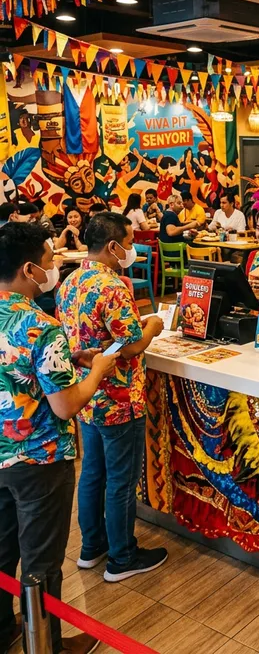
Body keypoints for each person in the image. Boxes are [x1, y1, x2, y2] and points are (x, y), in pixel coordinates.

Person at [0, 222, 116, 654]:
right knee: (41, 559)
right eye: (49, 261)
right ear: (29, 269)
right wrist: (97, 370)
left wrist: (69, 359)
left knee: (2, 548)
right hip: (39, 459)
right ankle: (46, 645)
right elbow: (66, 405)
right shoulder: (40, 325)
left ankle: (4, 629)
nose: (53, 269)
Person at [56, 212, 167, 583]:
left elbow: (95, 337)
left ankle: (92, 547)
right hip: (119, 397)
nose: (132, 249)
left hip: (86, 394)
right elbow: (131, 345)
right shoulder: (113, 286)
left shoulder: (70, 281)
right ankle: (122, 557)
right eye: (130, 242)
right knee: (120, 480)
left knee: (92, 473)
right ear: (114, 246)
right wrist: (153, 326)